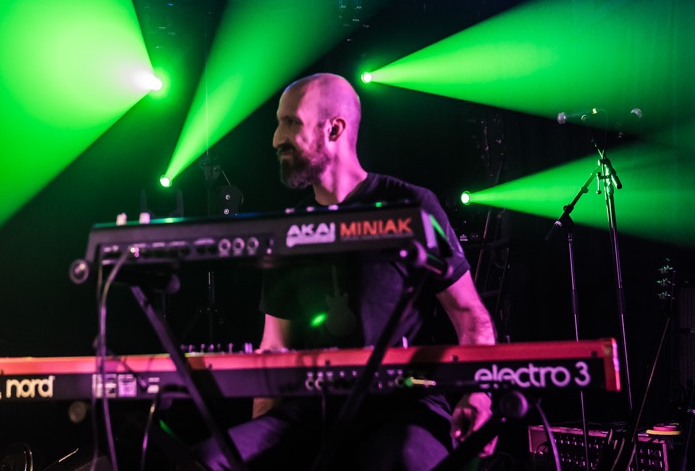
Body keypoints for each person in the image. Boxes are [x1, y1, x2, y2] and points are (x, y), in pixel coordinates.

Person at [193, 73, 496, 470]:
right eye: (279, 123)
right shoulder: (289, 229)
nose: (276, 139)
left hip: (401, 406)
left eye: (290, 123)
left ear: (334, 129)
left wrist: (478, 393)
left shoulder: (410, 205)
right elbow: (275, 347)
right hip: (311, 413)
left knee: (404, 462)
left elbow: (470, 315)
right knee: (208, 460)